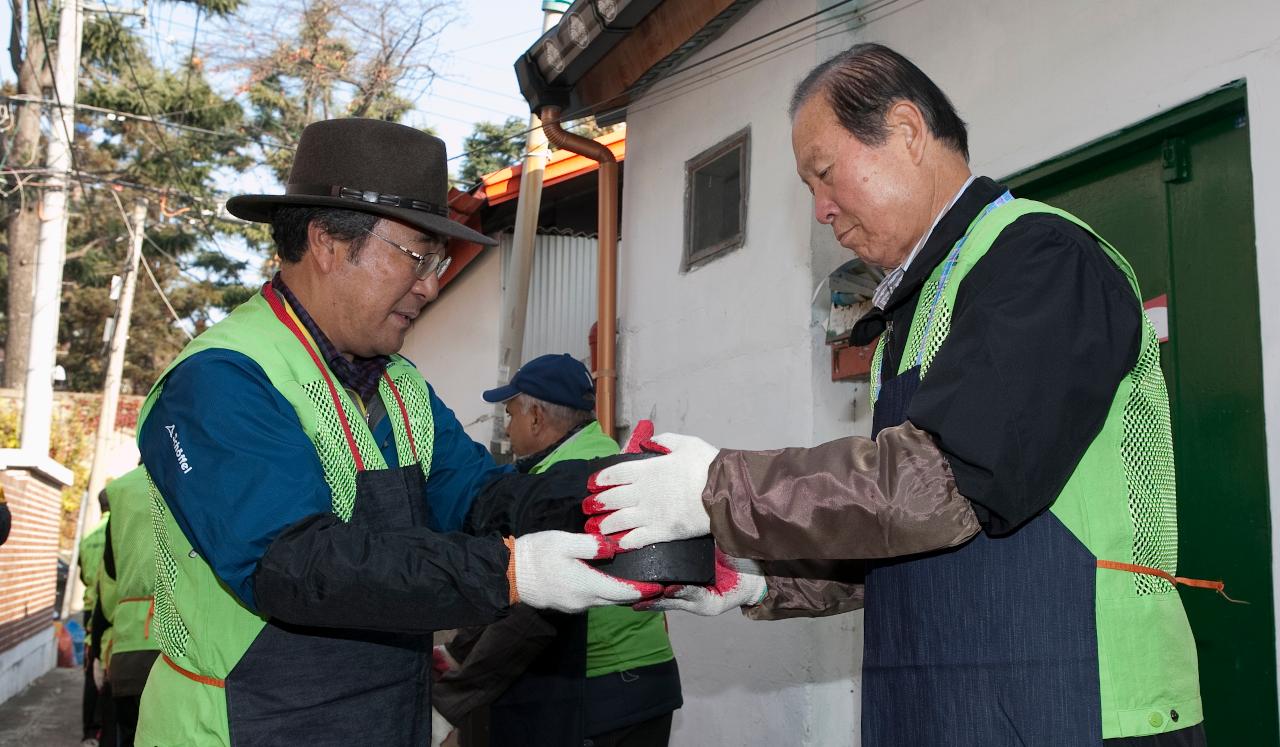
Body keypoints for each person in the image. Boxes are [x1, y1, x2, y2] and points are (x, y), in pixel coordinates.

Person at [586, 43, 1205, 747]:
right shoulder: (910, 319)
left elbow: (939, 485)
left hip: (1080, 707)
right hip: (941, 708)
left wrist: (714, 485)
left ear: (907, 132)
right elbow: (899, 535)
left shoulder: (1043, 260)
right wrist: (762, 581)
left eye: (824, 173)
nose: (820, 208)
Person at [133, 118, 659, 746]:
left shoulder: (397, 383)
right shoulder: (222, 380)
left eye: (436, 263)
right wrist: (516, 572)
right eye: (417, 258)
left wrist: (617, 492)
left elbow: (482, 501)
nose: (431, 285)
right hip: (244, 727)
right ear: (328, 243)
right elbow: (294, 565)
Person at [433, 354, 682, 747]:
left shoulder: (562, 484)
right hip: (641, 681)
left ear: (536, 417)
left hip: (602, 692)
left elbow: (531, 616)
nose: (509, 428)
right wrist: (459, 650)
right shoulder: (599, 456)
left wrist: (448, 702)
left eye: (511, 414)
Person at [92, 466, 161, 747]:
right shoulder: (198, 473)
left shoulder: (120, 492)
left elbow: (108, 585)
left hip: (128, 650)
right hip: (182, 649)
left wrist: (100, 645)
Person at [79, 491, 110, 747]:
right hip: (109, 606)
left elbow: (83, 575)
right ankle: (103, 728)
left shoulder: (88, 536)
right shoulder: (120, 524)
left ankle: (89, 731)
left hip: (89, 606)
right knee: (107, 668)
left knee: (92, 668)